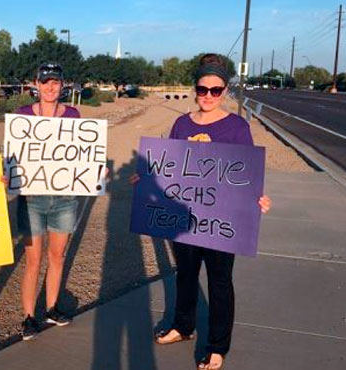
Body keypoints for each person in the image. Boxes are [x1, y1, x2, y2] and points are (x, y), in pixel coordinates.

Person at [131, 53, 271, 370]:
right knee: (186, 274)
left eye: (216, 90)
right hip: (184, 217)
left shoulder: (236, 127)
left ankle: (218, 346)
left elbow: (247, 175)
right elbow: (167, 168)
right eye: (203, 89)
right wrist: (145, 180)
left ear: (225, 91)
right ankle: (183, 326)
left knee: (220, 281)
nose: (208, 96)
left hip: (221, 222)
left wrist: (259, 199)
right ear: (195, 88)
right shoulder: (181, 123)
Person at [13, 63, 81, 340]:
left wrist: (96, 170)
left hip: (65, 197)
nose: (51, 87)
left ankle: (51, 308)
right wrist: (8, 174)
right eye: (45, 82)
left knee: (57, 256)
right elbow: (13, 155)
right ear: (36, 85)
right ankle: (29, 316)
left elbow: (83, 154)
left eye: (55, 82)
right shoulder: (23, 116)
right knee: (32, 260)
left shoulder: (75, 116)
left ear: (63, 84)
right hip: (31, 198)